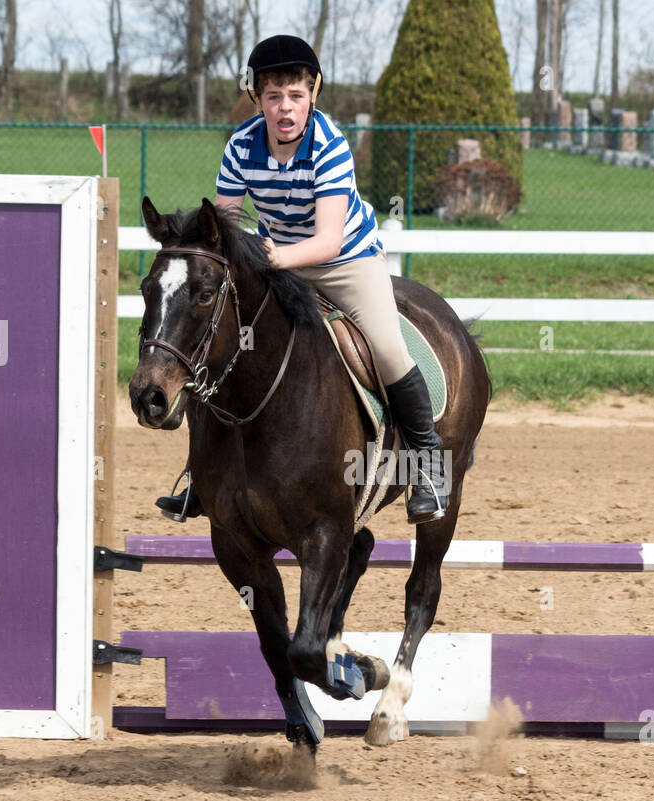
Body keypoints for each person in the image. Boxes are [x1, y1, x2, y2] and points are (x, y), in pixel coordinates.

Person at [163, 34, 447, 525]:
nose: (285, 108)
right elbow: (224, 231)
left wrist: (273, 257)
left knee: (385, 345)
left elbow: (329, 241)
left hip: (345, 263)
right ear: (257, 100)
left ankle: (428, 464)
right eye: (273, 97)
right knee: (220, 341)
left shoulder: (330, 145)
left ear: (313, 94)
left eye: (295, 95)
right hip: (277, 260)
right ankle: (201, 473)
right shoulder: (239, 147)